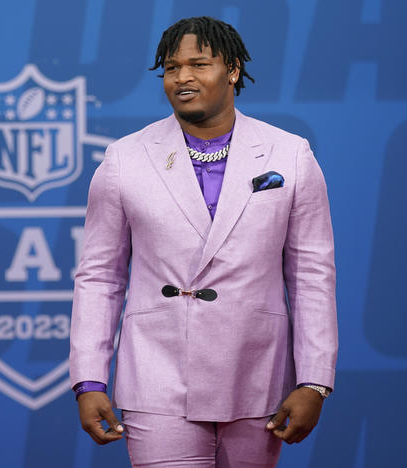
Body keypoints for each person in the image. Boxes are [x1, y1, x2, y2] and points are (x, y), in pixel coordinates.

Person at [69, 16, 337, 467]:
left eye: (199, 64)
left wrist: (314, 381)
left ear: (232, 70)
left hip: (258, 375)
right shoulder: (124, 158)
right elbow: (99, 277)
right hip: (157, 377)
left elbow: (312, 276)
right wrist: (89, 380)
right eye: (172, 68)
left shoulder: (290, 154)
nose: (183, 78)